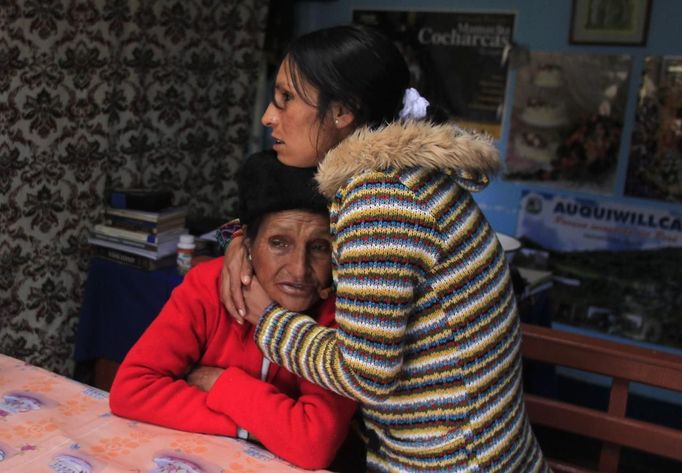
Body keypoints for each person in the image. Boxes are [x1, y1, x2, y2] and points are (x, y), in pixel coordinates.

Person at [219, 24, 549, 472]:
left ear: (341, 112)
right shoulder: (401, 173)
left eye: (286, 98)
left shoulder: (378, 199)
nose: (268, 117)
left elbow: (366, 376)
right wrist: (242, 237)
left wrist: (266, 319)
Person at [108, 152, 357, 471]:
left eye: (320, 247)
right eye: (279, 243)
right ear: (246, 244)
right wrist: (266, 428)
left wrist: (222, 383)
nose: (298, 270)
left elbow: (313, 445)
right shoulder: (207, 287)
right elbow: (131, 390)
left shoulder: (342, 313)